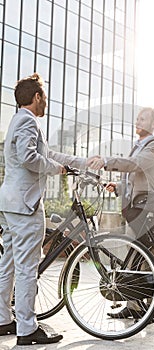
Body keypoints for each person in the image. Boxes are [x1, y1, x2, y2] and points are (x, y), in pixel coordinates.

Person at [0, 73, 93, 345]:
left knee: (9, 265)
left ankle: (3, 320)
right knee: (28, 268)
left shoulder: (19, 121)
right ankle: (27, 329)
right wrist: (57, 170)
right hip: (25, 205)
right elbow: (31, 158)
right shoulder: (28, 121)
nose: (46, 103)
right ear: (37, 97)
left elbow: (48, 155)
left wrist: (81, 163)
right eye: (45, 98)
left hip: (10, 203)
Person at [89, 107, 154, 319]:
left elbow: (137, 165)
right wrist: (119, 187)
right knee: (141, 254)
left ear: (153, 124)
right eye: (138, 117)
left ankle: (149, 305)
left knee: (145, 254)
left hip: (146, 205)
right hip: (135, 205)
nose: (138, 121)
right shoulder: (138, 145)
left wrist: (107, 161)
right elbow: (134, 181)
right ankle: (138, 305)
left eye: (143, 119)